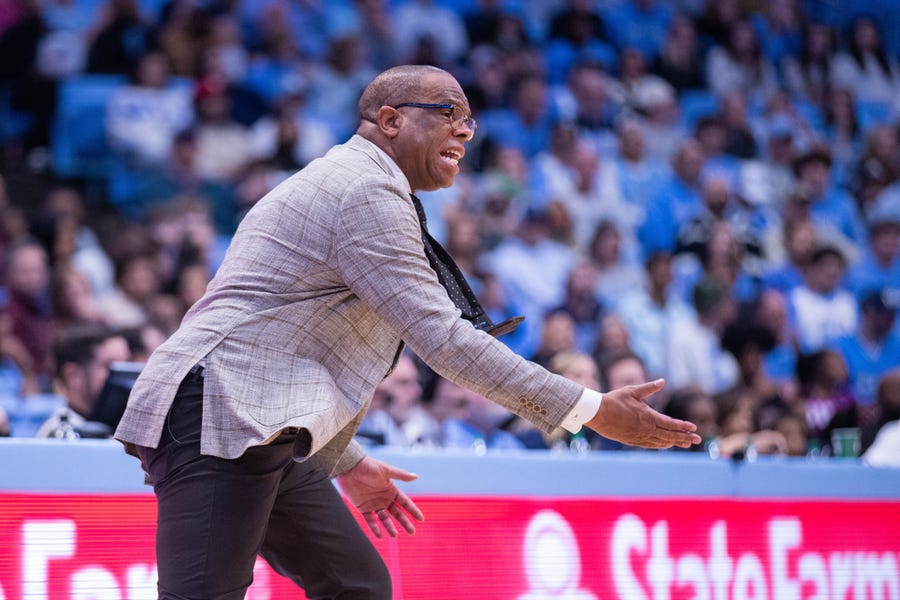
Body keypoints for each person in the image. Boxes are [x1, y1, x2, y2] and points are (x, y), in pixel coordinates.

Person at [114, 65, 700, 600]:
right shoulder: (364, 189)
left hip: (261, 421)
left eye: (470, 119)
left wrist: (346, 461)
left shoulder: (366, 184)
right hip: (219, 412)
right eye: (450, 112)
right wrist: (590, 409)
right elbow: (443, 340)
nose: (467, 131)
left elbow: (293, 345)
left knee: (358, 586)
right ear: (390, 121)